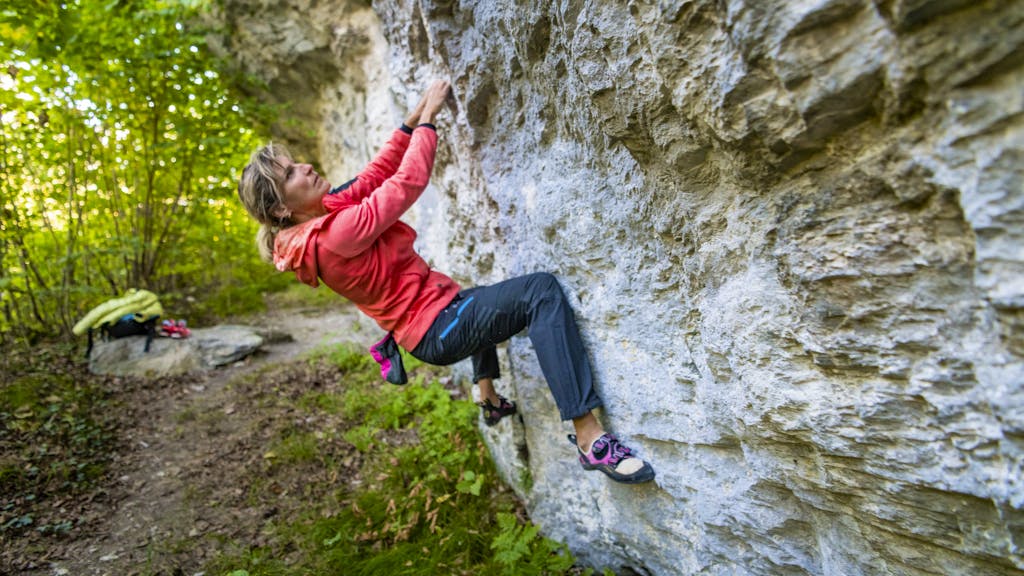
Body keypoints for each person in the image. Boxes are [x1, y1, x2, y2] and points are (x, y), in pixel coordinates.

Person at [236, 80, 655, 484]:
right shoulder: (333, 236)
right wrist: (430, 120)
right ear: (280, 211)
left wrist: (411, 120)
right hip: (436, 328)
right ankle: (589, 437)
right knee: (538, 292)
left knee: (477, 301)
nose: (305, 166)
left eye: (296, 163)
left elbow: (375, 175)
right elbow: (406, 184)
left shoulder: (322, 215)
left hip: (436, 318)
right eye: (291, 173)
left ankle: (486, 393)